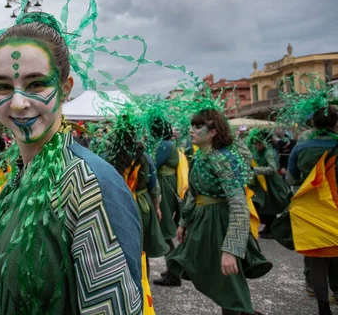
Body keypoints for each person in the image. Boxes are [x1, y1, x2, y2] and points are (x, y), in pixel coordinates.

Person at [0, 13, 144, 314]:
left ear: (65, 88)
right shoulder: (14, 179)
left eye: (36, 85)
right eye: (3, 87)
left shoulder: (91, 184)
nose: (18, 103)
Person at [166, 109, 271, 315]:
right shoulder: (199, 157)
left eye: (198, 127)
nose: (191, 130)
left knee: (229, 284)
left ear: (213, 132)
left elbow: (238, 204)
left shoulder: (223, 159)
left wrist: (232, 249)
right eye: (192, 126)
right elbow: (193, 194)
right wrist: (184, 221)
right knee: (222, 283)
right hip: (205, 224)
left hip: (221, 225)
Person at [286, 105, 338, 315]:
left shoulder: (301, 147)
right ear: (335, 123)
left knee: (317, 262)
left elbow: (290, 178)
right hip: (336, 205)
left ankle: (323, 308)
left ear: (313, 124)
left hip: (311, 209)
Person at [108, 114, 168, 278]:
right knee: (142, 250)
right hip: (142, 207)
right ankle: (143, 284)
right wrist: (157, 207)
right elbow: (154, 185)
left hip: (118, 205)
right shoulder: (144, 155)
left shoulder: (109, 155)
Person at [150, 117, 183, 287]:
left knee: (166, 230)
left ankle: (174, 271)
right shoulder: (168, 143)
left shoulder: (164, 144)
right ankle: (173, 268)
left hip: (164, 184)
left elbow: (153, 163)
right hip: (168, 182)